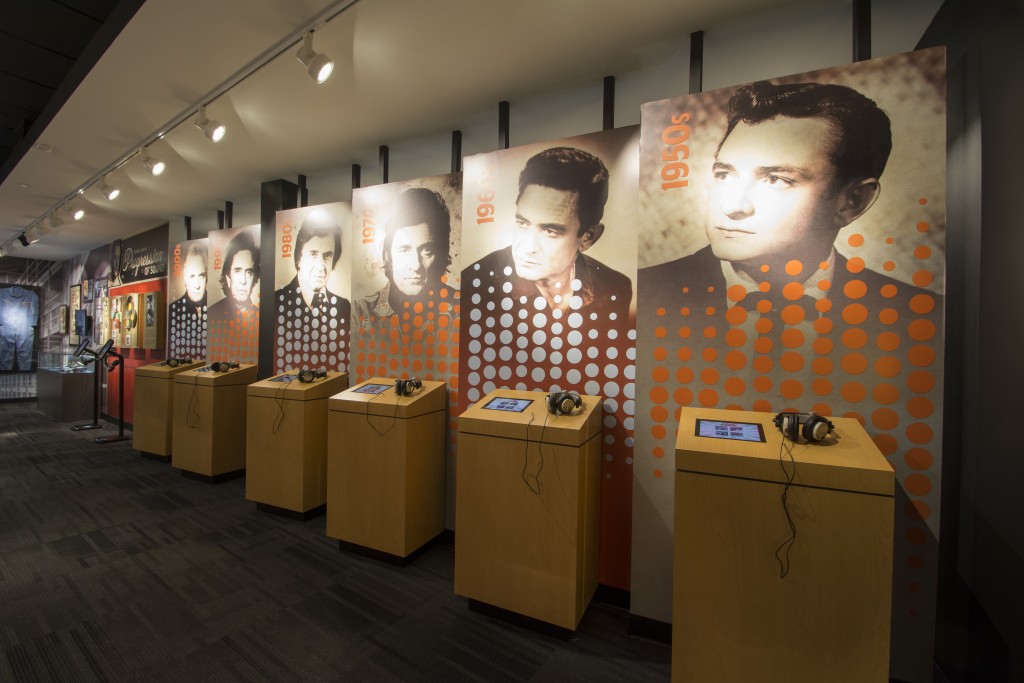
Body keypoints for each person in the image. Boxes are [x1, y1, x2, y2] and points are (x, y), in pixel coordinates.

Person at [639, 80, 943, 399]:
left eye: (776, 179)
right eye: (724, 174)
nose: (732, 206)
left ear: (852, 201)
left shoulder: (920, 321)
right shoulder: (645, 295)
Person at [466, 146, 632, 323]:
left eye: (550, 231)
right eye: (522, 223)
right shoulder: (474, 286)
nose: (527, 247)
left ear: (588, 237)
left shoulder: (615, 287)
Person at [354, 187, 454, 331]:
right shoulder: (360, 313)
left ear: (441, 254)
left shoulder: (460, 307)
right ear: (387, 256)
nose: (416, 265)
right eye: (404, 250)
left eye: (427, 250)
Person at [274, 210, 351, 373]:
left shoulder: (344, 307)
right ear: (299, 258)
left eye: (327, 256)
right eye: (313, 254)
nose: (320, 266)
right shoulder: (277, 303)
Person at [207, 231, 260, 356]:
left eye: (249, 273)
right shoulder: (213, 314)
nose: (243, 280)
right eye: (237, 271)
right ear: (228, 277)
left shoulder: (260, 316)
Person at [168, 242, 208, 358]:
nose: (197, 285)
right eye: (192, 276)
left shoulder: (217, 309)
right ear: (185, 278)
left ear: (206, 277)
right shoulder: (174, 310)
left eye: (201, 276)